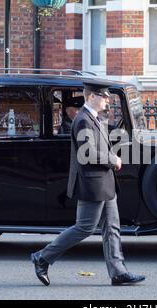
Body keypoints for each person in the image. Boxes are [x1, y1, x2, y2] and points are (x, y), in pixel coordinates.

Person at [31, 81, 145, 286]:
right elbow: (88, 153)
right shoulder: (83, 120)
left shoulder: (94, 118)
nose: (107, 100)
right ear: (92, 96)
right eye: (104, 96)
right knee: (84, 228)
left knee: (112, 228)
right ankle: (42, 257)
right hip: (93, 184)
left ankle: (118, 272)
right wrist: (113, 160)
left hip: (104, 183)